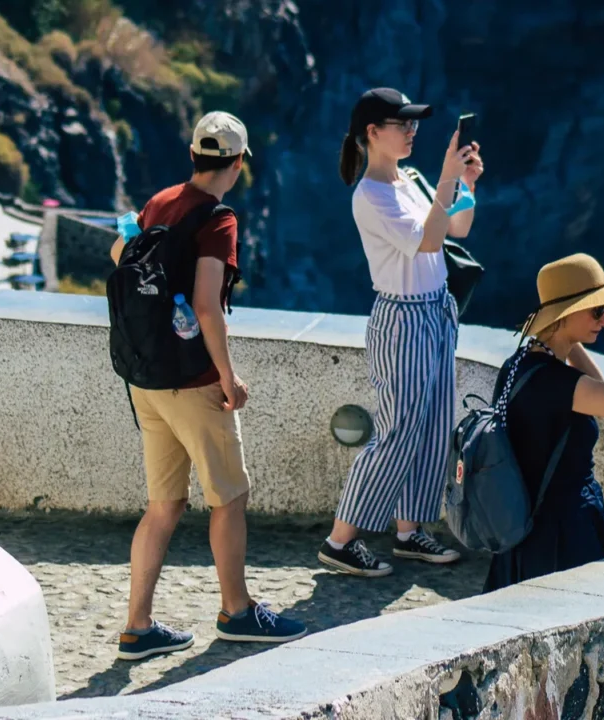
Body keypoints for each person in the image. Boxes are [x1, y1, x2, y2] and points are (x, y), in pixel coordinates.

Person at [108, 111, 307, 660]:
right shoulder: (217, 220)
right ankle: (238, 612)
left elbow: (120, 257)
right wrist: (227, 375)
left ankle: (137, 627)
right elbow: (206, 305)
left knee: (163, 504)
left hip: (146, 378)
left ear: (194, 155)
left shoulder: (159, 203)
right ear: (238, 164)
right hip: (194, 381)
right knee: (231, 497)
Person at [318, 88, 484, 577]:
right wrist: (448, 178)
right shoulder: (369, 195)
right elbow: (429, 239)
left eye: (413, 124)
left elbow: (458, 230)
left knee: (432, 428)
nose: (412, 131)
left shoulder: (409, 180)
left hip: (435, 311)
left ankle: (410, 531)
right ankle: (340, 539)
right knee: (396, 430)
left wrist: (465, 184)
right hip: (403, 317)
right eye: (402, 124)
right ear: (373, 133)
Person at [484, 254, 604, 593]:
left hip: (524, 531)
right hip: (564, 536)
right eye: (597, 311)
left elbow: (597, 385)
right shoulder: (558, 385)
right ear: (564, 315)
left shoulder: (518, 364)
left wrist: (568, 340)